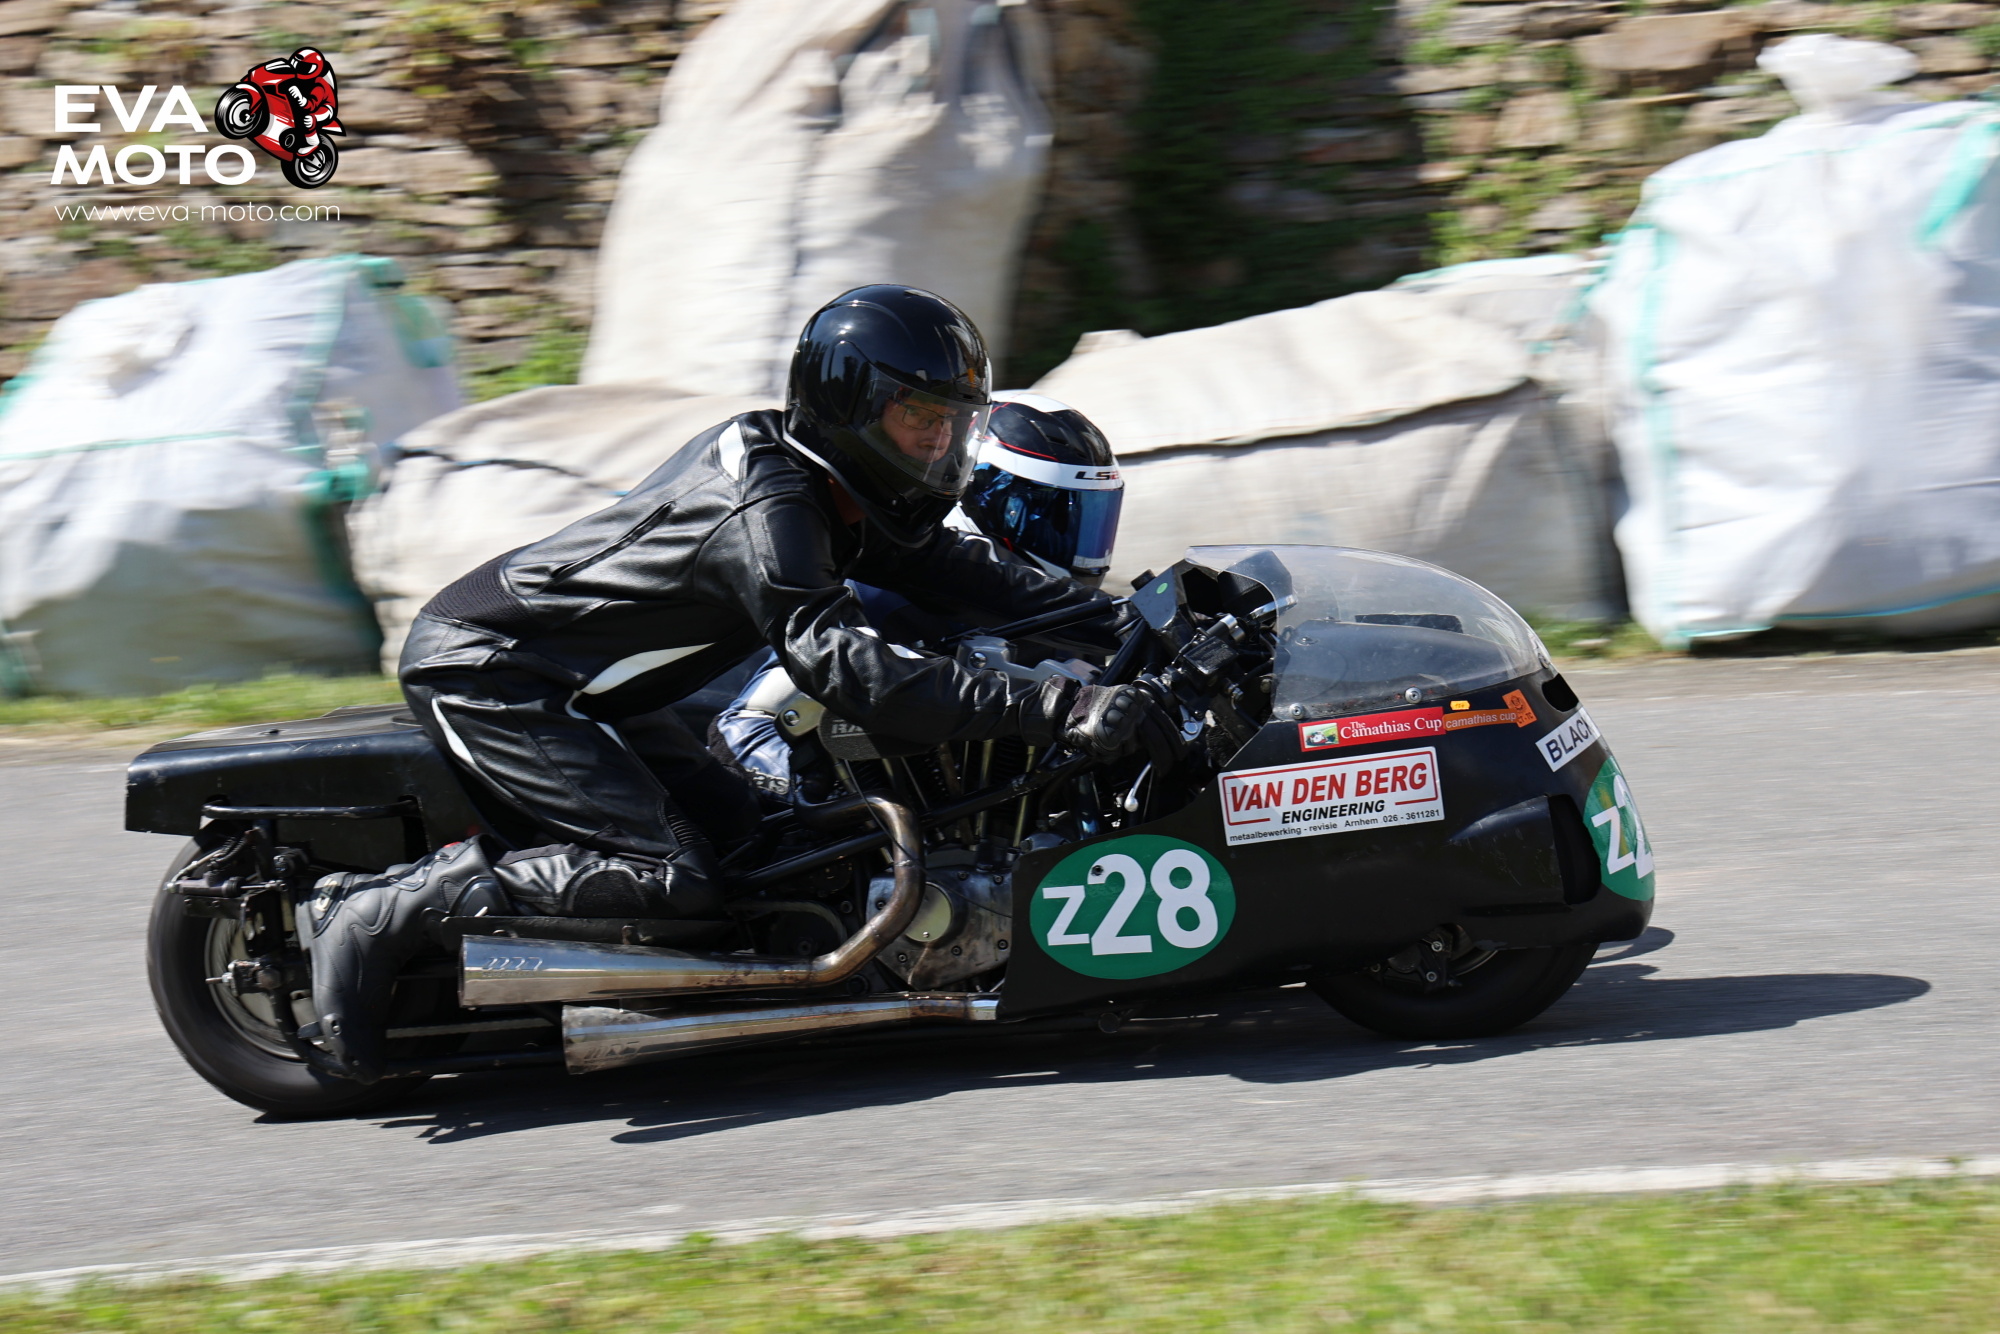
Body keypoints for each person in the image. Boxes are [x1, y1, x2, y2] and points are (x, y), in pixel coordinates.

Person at [301, 286, 1175, 1082]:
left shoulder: (832, 482)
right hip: (498, 671)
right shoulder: (771, 508)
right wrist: (1057, 704)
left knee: (755, 854)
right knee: (674, 880)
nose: (939, 441)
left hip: (597, 690)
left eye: (952, 421)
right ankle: (390, 908)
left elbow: (961, 572)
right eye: (919, 416)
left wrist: (1137, 618)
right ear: (851, 404)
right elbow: (850, 669)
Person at [714, 390, 1126, 798]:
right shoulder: (877, 597)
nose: (1076, 543)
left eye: (1091, 516)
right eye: (1047, 514)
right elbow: (748, 726)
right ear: (972, 492)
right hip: (848, 817)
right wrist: (841, 804)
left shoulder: (1075, 629)